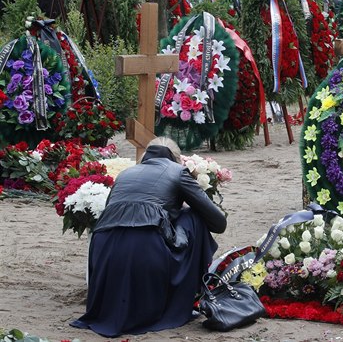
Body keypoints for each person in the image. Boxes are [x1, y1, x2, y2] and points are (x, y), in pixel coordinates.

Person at [70, 137, 227, 337]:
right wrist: (182, 209)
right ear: (176, 158)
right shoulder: (178, 172)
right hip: (146, 248)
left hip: (104, 252)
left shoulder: (125, 175)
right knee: (193, 216)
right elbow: (218, 223)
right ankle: (184, 295)